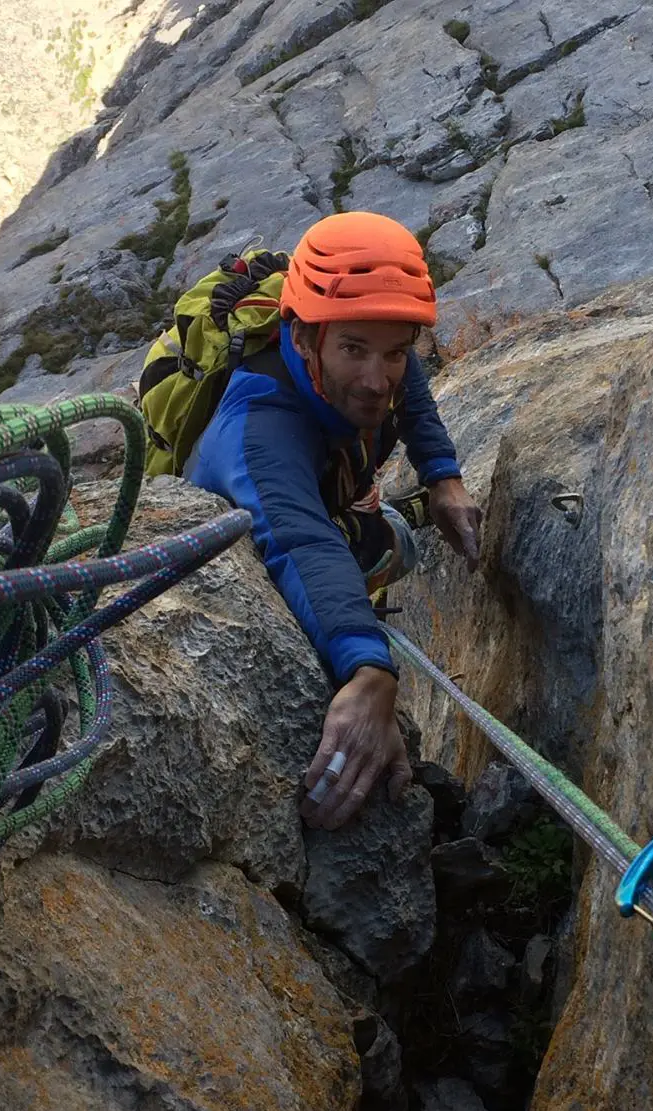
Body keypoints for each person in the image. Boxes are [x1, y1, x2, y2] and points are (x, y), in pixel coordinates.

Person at [183, 211, 484, 831]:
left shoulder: (364, 351)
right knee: (387, 545)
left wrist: (443, 475)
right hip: (265, 530)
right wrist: (368, 670)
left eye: (394, 352)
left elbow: (411, 387)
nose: (378, 382)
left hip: (314, 498)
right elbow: (301, 542)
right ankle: (388, 527)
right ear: (301, 337)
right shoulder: (259, 429)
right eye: (353, 350)